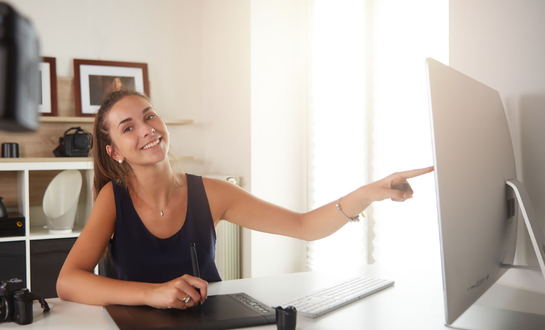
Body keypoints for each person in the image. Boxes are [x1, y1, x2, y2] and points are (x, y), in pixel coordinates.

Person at [56, 90, 433, 310]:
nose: (147, 130)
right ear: (115, 152)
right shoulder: (113, 199)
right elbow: (68, 282)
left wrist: (368, 193)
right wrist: (153, 294)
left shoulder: (212, 192)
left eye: (149, 116)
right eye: (128, 128)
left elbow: (304, 226)